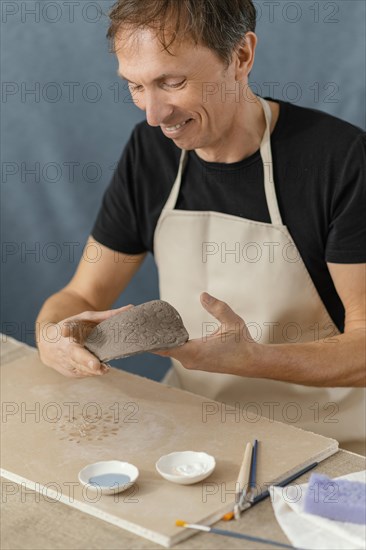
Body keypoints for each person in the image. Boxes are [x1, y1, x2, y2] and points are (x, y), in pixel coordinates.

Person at [36, 0, 366, 454]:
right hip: (193, 432)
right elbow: (82, 296)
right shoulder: (149, 153)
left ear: (241, 56)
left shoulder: (339, 160)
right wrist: (52, 336)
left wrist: (255, 359)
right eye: (135, 86)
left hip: (328, 443)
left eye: (172, 82)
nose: (154, 115)